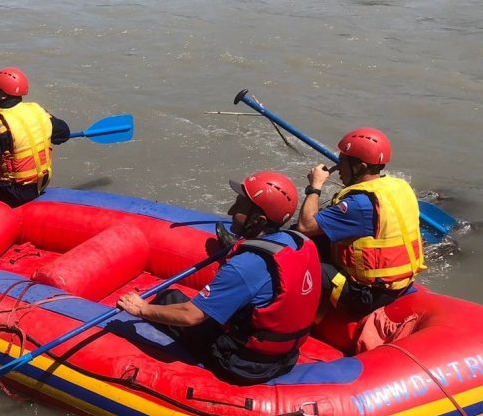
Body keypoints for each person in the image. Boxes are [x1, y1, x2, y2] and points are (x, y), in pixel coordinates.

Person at [116, 172, 320, 385]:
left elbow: (191, 316)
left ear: (259, 220)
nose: (231, 211)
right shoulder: (302, 242)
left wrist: (141, 309)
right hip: (287, 356)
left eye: (240, 206)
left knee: (168, 298)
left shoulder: (245, 267)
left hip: (243, 364)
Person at [296, 127, 426, 316]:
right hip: (396, 284)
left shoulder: (359, 204)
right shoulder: (399, 186)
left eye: (342, 162)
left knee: (297, 264)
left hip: (369, 295)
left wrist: (315, 186)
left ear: (361, 167)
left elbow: (305, 226)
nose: (338, 167)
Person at [0, 66, 71, 207]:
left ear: (2, 96)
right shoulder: (38, 111)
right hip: (42, 183)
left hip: (17, 192)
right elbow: (64, 133)